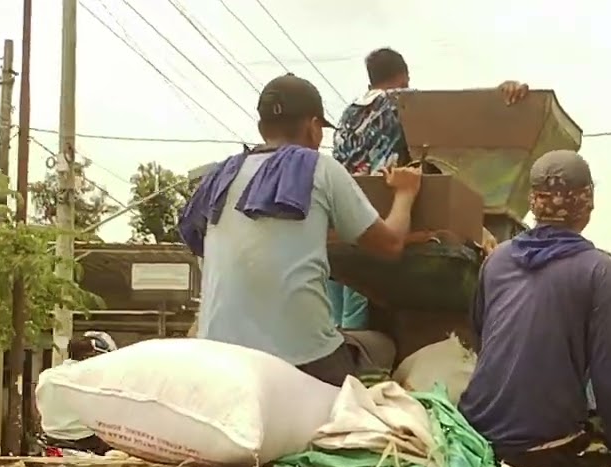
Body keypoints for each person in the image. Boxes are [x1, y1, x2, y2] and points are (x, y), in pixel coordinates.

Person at [178, 73, 427, 387]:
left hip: (218, 355)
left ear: (261, 128)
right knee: (383, 346)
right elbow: (390, 245)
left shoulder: (219, 176)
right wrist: (405, 193)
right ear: (313, 127)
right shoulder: (319, 168)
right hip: (304, 360)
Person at [459, 150, 611, 467]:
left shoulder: (498, 260)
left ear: (533, 203)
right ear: (587, 203)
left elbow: (481, 335)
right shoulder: (603, 271)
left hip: (474, 437)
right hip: (541, 450)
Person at [325, 48, 530, 331]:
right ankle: (357, 365)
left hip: (339, 216)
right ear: (404, 77)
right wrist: (501, 95)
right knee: (357, 312)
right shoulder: (402, 102)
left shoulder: (348, 116)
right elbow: (457, 112)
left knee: (337, 306)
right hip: (379, 213)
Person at [35, 333, 117, 455]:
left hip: (51, 437)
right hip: (86, 441)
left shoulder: (46, 376)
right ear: (90, 357)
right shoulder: (94, 379)